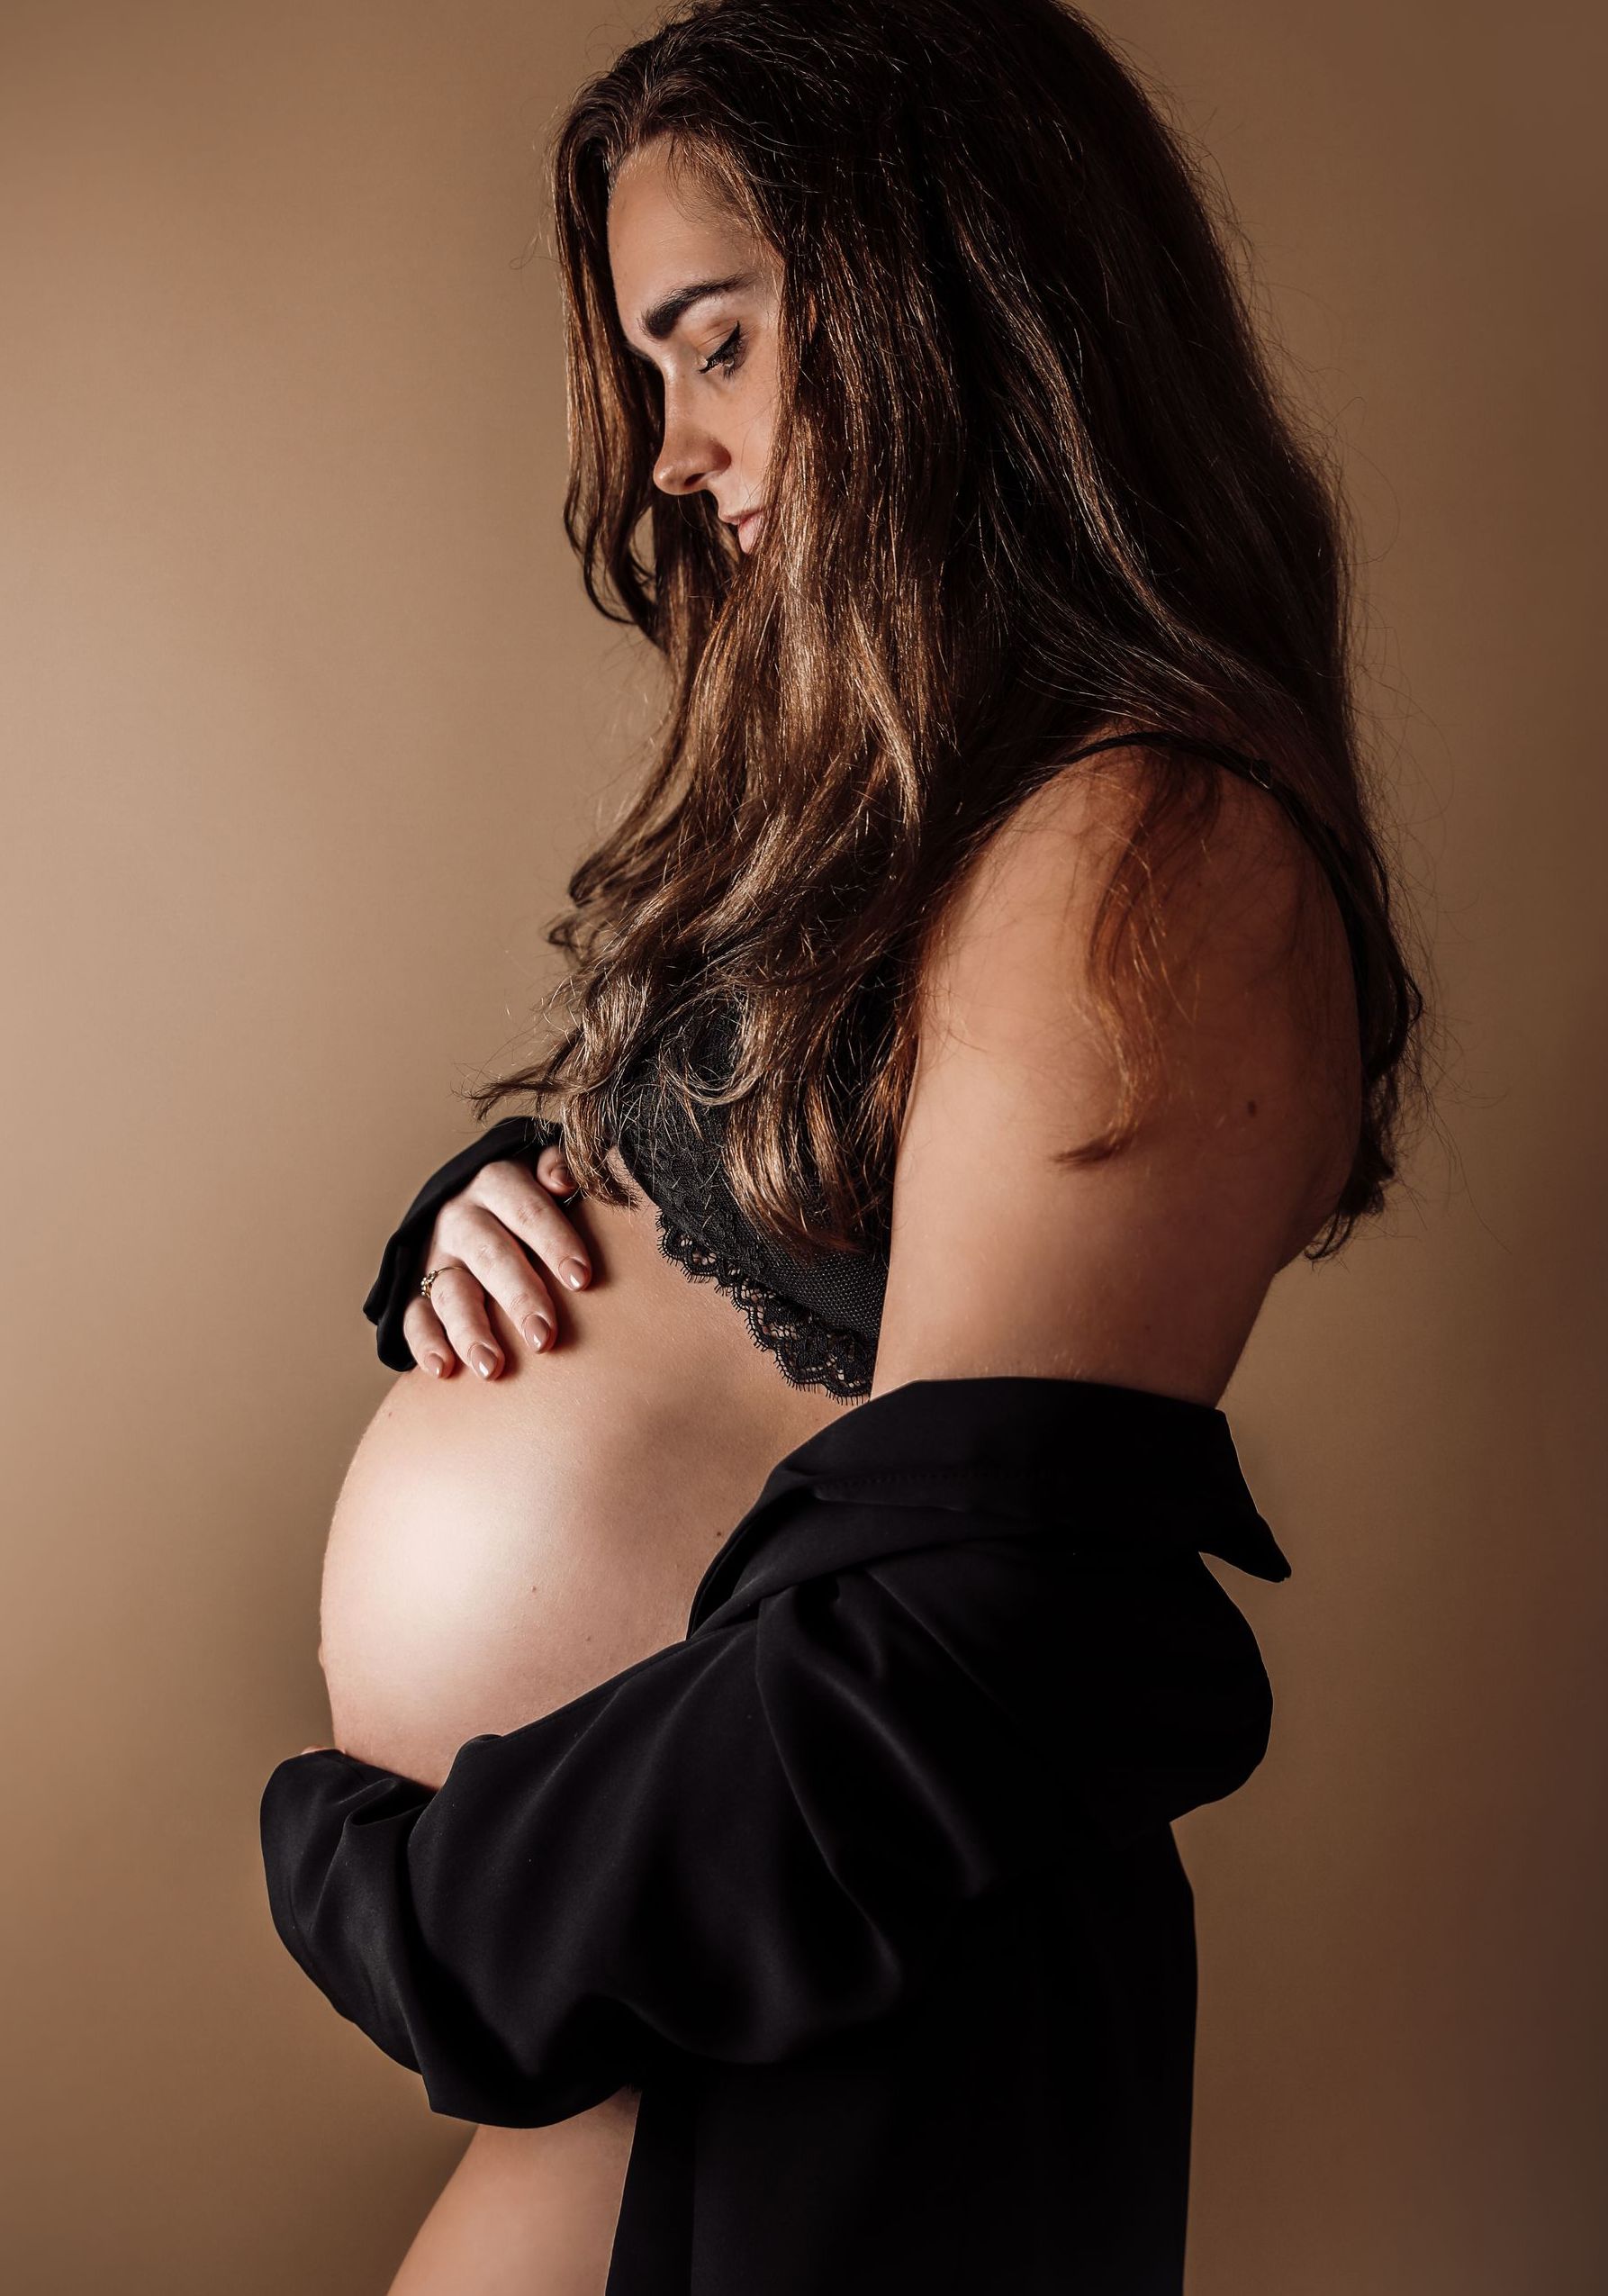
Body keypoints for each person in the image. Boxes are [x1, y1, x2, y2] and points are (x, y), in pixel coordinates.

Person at [259, 3, 1427, 2291]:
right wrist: (507, 1207)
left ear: (943, 301)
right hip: (702, 2025)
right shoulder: (956, 809)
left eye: (715, 343)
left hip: (835, 2048)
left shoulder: (1150, 850)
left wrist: (431, 1913)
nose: (673, 453)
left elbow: (983, 1641)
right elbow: (800, 1255)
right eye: (652, 372)